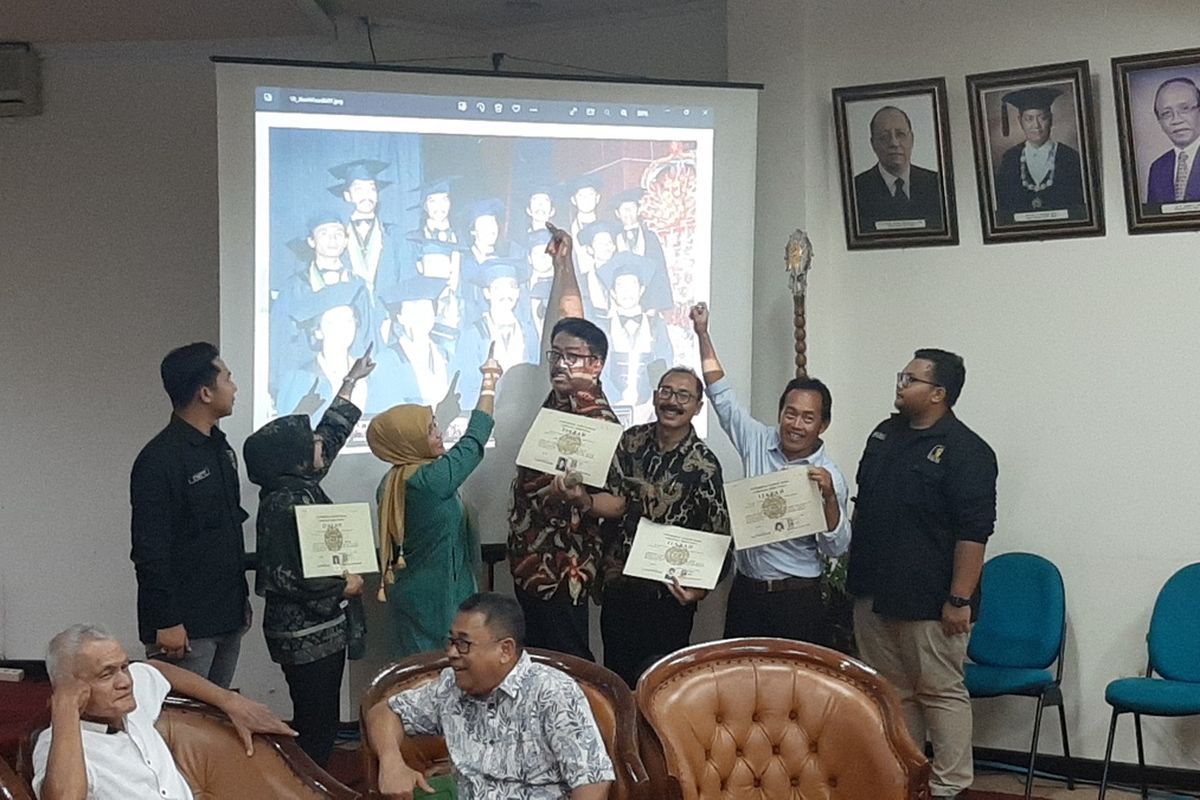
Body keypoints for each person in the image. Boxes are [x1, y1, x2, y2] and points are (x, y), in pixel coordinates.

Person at [847, 349, 997, 799]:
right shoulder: (883, 434)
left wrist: (959, 599)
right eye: (902, 375)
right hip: (875, 590)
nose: (900, 384)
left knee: (940, 693)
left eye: (910, 379)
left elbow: (974, 534)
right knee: (893, 695)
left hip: (931, 600)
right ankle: (908, 780)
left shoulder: (967, 450)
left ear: (938, 394)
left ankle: (950, 787)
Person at [242, 347, 375, 767]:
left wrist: (350, 384)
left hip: (318, 632)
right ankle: (306, 786)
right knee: (316, 726)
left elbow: (330, 439)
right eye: (310, 444)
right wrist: (346, 585)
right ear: (293, 458)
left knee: (320, 722)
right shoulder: (285, 502)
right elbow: (285, 577)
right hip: (305, 638)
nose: (320, 445)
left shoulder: (294, 483)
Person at [690, 303, 850, 644]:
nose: (795, 425)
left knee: (790, 692)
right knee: (740, 685)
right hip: (747, 592)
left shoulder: (829, 475)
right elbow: (722, 397)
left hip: (797, 599)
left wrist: (829, 501)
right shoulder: (758, 440)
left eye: (808, 418)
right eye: (789, 414)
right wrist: (703, 333)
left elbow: (836, 548)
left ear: (823, 425)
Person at [363, 593, 614, 800]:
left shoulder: (553, 692)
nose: (451, 653)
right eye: (450, 641)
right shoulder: (450, 686)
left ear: (505, 650)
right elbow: (383, 712)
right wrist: (391, 761)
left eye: (463, 644)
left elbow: (592, 783)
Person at [508, 223, 623, 660]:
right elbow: (568, 317)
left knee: (567, 662)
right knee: (539, 660)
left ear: (596, 365)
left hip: (559, 567)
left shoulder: (594, 414)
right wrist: (564, 264)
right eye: (555, 354)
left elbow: (613, 498)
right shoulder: (563, 394)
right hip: (530, 558)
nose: (558, 363)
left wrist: (574, 497)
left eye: (570, 357)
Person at [33, 624, 294, 800]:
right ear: (68, 687)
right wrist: (65, 708)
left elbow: (157, 668)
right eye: (107, 674)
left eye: (124, 666)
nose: (125, 681)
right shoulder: (58, 743)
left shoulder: (131, 702)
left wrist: (230, 700)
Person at [367, 348, 503, 659]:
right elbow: (474, 439)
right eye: (429, 430)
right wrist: (489, 382)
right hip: (442, 599)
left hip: (414, 596)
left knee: (419, 677)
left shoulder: (392, 481)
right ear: (408, 441)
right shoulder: (430, 480)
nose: (439, 434)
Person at [600, 367, 730, 687]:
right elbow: (611, 498)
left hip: (667, 599)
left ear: (698, 407)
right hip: (620, 590)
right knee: (615, 686)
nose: (672, 401)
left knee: (659, 690)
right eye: (666, 392)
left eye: (683, 395)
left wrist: (700, 589)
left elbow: (719, 537)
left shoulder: (704, 464)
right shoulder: (630, 441)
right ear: (656, 396)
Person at [130, 343, 249, 688]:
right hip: (184, 628)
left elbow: (225, 532)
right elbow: (150, 549)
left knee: (214, 725)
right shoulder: (160, 459)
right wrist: (166, 620)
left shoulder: (220, 448)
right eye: (227, 378)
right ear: (205, 393)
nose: (235, 387)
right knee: (181, 726)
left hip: (227, 615)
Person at [273, 282, 370, 420]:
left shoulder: (366, 374)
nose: (342, 329)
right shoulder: (300, 379)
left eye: (348, 321)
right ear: (318, 331)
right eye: (332, 323)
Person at [455, 257, 541, 406]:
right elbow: (467, 383)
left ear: (518, 293)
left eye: (511, 287)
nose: (506, 294)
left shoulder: (528, 332)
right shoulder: (474, 333)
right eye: (498, 288)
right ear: (487, 293)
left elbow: (535, 377)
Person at [598, 252, 674, 419]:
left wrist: (651, 403)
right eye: (620, 285)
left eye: (632, 284)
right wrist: (613, 400)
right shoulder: (602, 327)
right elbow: (598, 368)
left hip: (648, 410)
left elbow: (664, 363)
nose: (626, 291)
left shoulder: (656, 325)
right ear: (612, 292)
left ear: (641, 289)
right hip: (609, 408)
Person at [993, 87, 1085, 220]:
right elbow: (1003, 205)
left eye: (1042, 118)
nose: (1036, 125)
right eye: (1029, 119)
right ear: (1020, 121)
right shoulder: (1010, 158)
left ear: (1051, 119)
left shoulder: (1070, 158)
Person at [853, 106, 944, 232]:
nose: (894, 143)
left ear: (912, 139)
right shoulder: (855, 190)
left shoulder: (938, 184)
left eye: (900, 134)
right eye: (884, 137)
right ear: (873, 144)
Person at [369, 275, 453, 411]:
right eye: (413, 309)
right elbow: (387, 410)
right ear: (399, 317)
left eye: (425, 308)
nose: (420, 316)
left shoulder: (446, 355)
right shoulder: (387, 360)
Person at [328, 158, 400, 299]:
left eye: (372, 189)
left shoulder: (393, 234)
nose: (367, 196)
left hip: (387, 312)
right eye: (359, 189)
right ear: (347, 196)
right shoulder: (337, 237)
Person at [610, 188, 673, 313]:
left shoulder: (650, 237)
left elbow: (660, 270)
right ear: (617, 214)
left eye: (632, 208)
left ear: (638, 210)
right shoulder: (612, 238)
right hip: (622, 301)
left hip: (649, 300)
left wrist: (656, 305)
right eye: (624, 209)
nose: (628, 213)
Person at [1146, 77, 1200, 204]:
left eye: (1185, 109)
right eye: (1166, 113)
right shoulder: (1158, 168)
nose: (1176, 120)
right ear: (1159, 122)